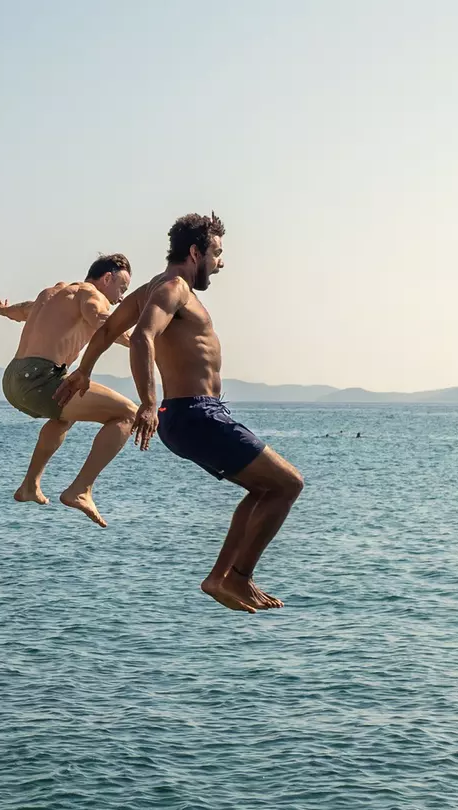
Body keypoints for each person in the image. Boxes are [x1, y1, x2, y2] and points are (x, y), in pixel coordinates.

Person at [57, 213, 304, 613]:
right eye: (217, 253)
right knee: (288, 484)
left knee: (264, 489)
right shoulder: (174, 288)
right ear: (195, 252)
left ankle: (221, 578)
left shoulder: (148, 290)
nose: (220, 263)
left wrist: (84, 371)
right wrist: (148, 401)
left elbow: (104, 332)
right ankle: (237, 578)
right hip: (195, 413)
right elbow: (141, 337)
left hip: (190, 416)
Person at [0, 254, 137, 527]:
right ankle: (81, 489)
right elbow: (104, 322)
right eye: (121, 289)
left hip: (12, 379)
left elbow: (23, 310)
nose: (120, 298)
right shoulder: (92, 295)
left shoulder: (54, 293)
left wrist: (5, 311)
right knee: (128, 413)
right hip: (39, 379)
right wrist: (146, 342)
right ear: (107, 278)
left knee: (64, 416)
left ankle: (30, 485)